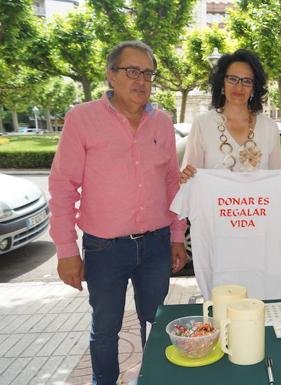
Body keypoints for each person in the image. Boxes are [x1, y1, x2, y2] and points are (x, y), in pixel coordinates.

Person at [49, 41, 186, 385]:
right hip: (104, 248)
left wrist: (176, 236)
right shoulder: (82, 119)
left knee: (156, 323)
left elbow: (172, 183)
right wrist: (66, 252)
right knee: (106, 328)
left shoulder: (163, 122)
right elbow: (63, 187)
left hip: (155, 245)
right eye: (132, 71)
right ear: (111, 75)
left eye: (148, 73)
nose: (141, 79)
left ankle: (156, 379)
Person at [179, 48, 281, 184]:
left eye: (247, 81)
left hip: (258, 205)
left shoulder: (269, 127)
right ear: (222, 83)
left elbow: (277, 174)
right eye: (233, 79)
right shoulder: (203, 124)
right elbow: (190, 176)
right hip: (213, 205)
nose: (239, 87)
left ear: (254, 88)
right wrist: (185, 175)